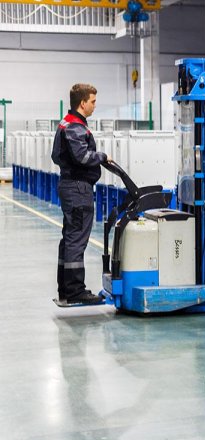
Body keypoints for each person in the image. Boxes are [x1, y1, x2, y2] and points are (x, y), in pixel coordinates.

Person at [51, 83, 110, 305]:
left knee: (69, 238)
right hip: (78, 189)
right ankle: (75, 291)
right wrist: (102, 157)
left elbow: (56, 156)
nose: (94, 105)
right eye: (92, 102)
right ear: (82, 103)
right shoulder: (75, 126)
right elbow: (82, 157)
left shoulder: (66, 123)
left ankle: (65, 289)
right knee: (76, 239)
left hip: (70, 186)